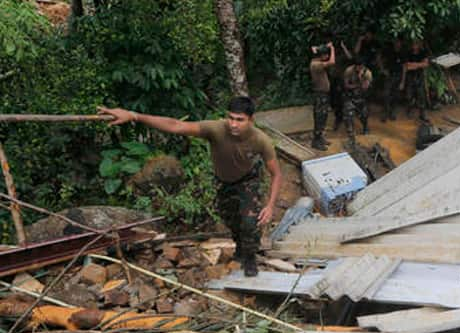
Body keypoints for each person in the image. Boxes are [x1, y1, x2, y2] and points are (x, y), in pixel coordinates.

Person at [98, 97, 282, 278]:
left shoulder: (261, 140)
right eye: (231, 118)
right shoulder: (216, 129)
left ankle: (249, 257)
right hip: (223, 181)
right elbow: (176, 125)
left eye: (239, 120)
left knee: (250, 221)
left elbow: (276, 174)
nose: (233, 124)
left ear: (251, 120)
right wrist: (134, 116)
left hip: (248, 180)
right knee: (230, 218)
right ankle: (240, 246)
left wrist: (270, 206)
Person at [309, 42, 336, 150]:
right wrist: (332, 48)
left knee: (323, 117)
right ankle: (316, 142)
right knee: (319, 118)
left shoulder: (316, 60)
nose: (328, 56)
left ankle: (320, 138)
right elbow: (332, 62)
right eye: (326, 54)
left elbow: (313, 48)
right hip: (320, 95)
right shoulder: (316, 65)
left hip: (323, 94)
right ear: (322, 55)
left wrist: (320, 48)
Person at [343, 58, 373, 144]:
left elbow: (365, 88)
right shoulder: (349, 70)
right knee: (348, 115)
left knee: (363, 115)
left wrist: (360, 78)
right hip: (350, 96)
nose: (359, 69)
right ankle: (351, 135)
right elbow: (346, 85)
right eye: (357, 67)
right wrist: (357, 85)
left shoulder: (367, 73)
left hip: (361, 97)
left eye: (361, 67)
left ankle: (365, 127)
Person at [402, 40, 429, 121]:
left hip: (419, 76)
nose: (415, 45)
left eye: (417, 44)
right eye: (413, 44)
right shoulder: (408, 52)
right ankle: (409, 110)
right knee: (409, 95)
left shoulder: (423, 52)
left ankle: (422, 115)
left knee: (421, 96)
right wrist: (419, 64)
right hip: (410, 76)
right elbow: (407, 66)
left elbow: (426, 64)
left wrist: (414, 64)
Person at [380, 38, 405, 122]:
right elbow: (379, 58)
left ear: (401, 43)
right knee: (386, 94)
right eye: (396, 41)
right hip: (389, 75)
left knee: (396, 96)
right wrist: (382, 69)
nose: (397, 43)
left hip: (398, 76)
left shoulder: (402, 53)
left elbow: (404, 67)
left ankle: (393, 112)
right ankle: (385, 113)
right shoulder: (389, 51)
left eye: (399, 42)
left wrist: (402, 81)